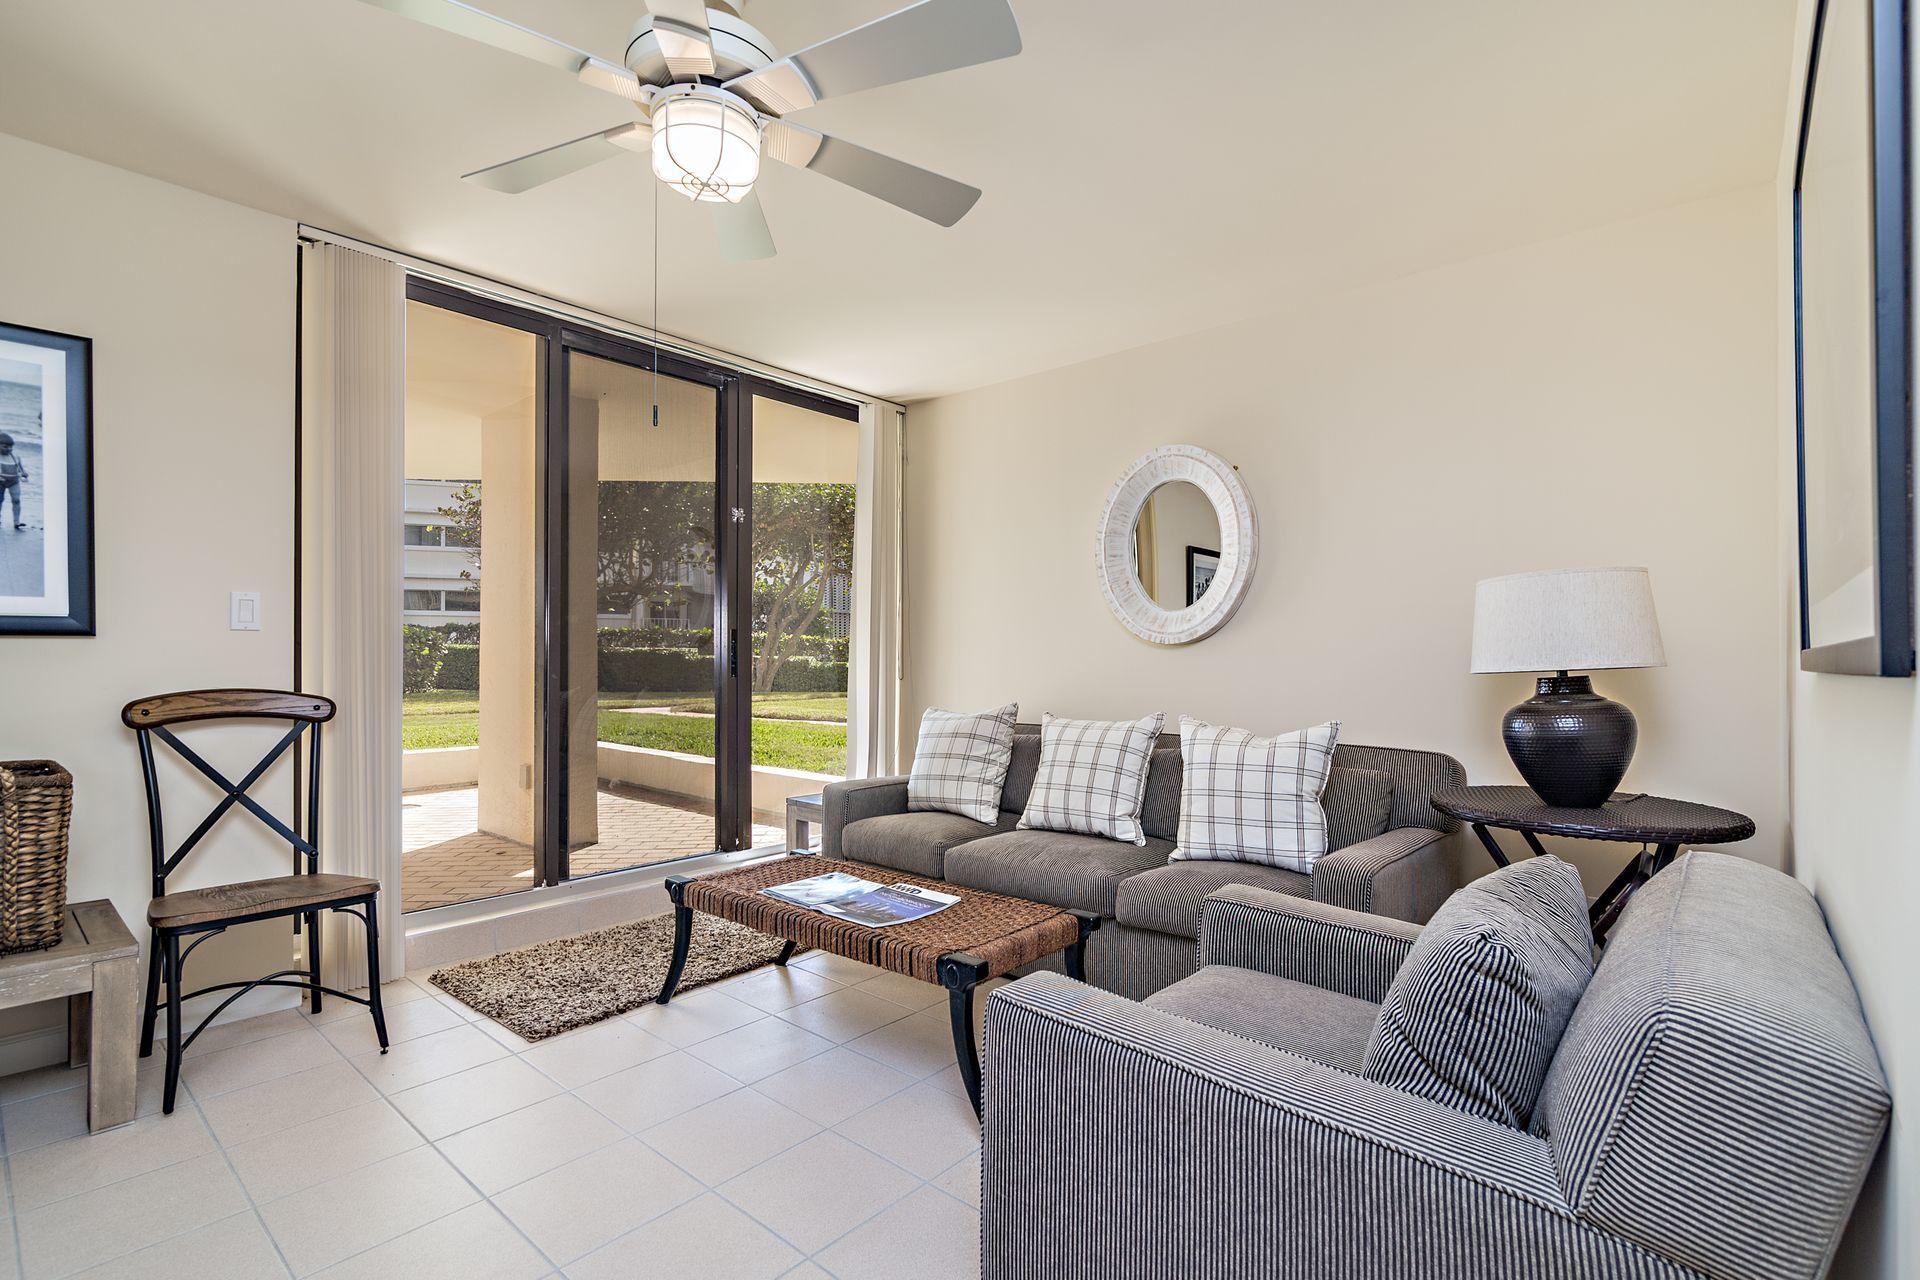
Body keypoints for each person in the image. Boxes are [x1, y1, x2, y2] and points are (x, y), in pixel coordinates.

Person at [0, 432, 27, 530]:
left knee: (16, 500)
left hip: (14, 481)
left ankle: (17, 521)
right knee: (0, 501)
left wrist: (24, 473)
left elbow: (20, 469)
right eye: (5, 446)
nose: (9, 449)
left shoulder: (15, 457)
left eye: (10, 447)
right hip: (1, 482)